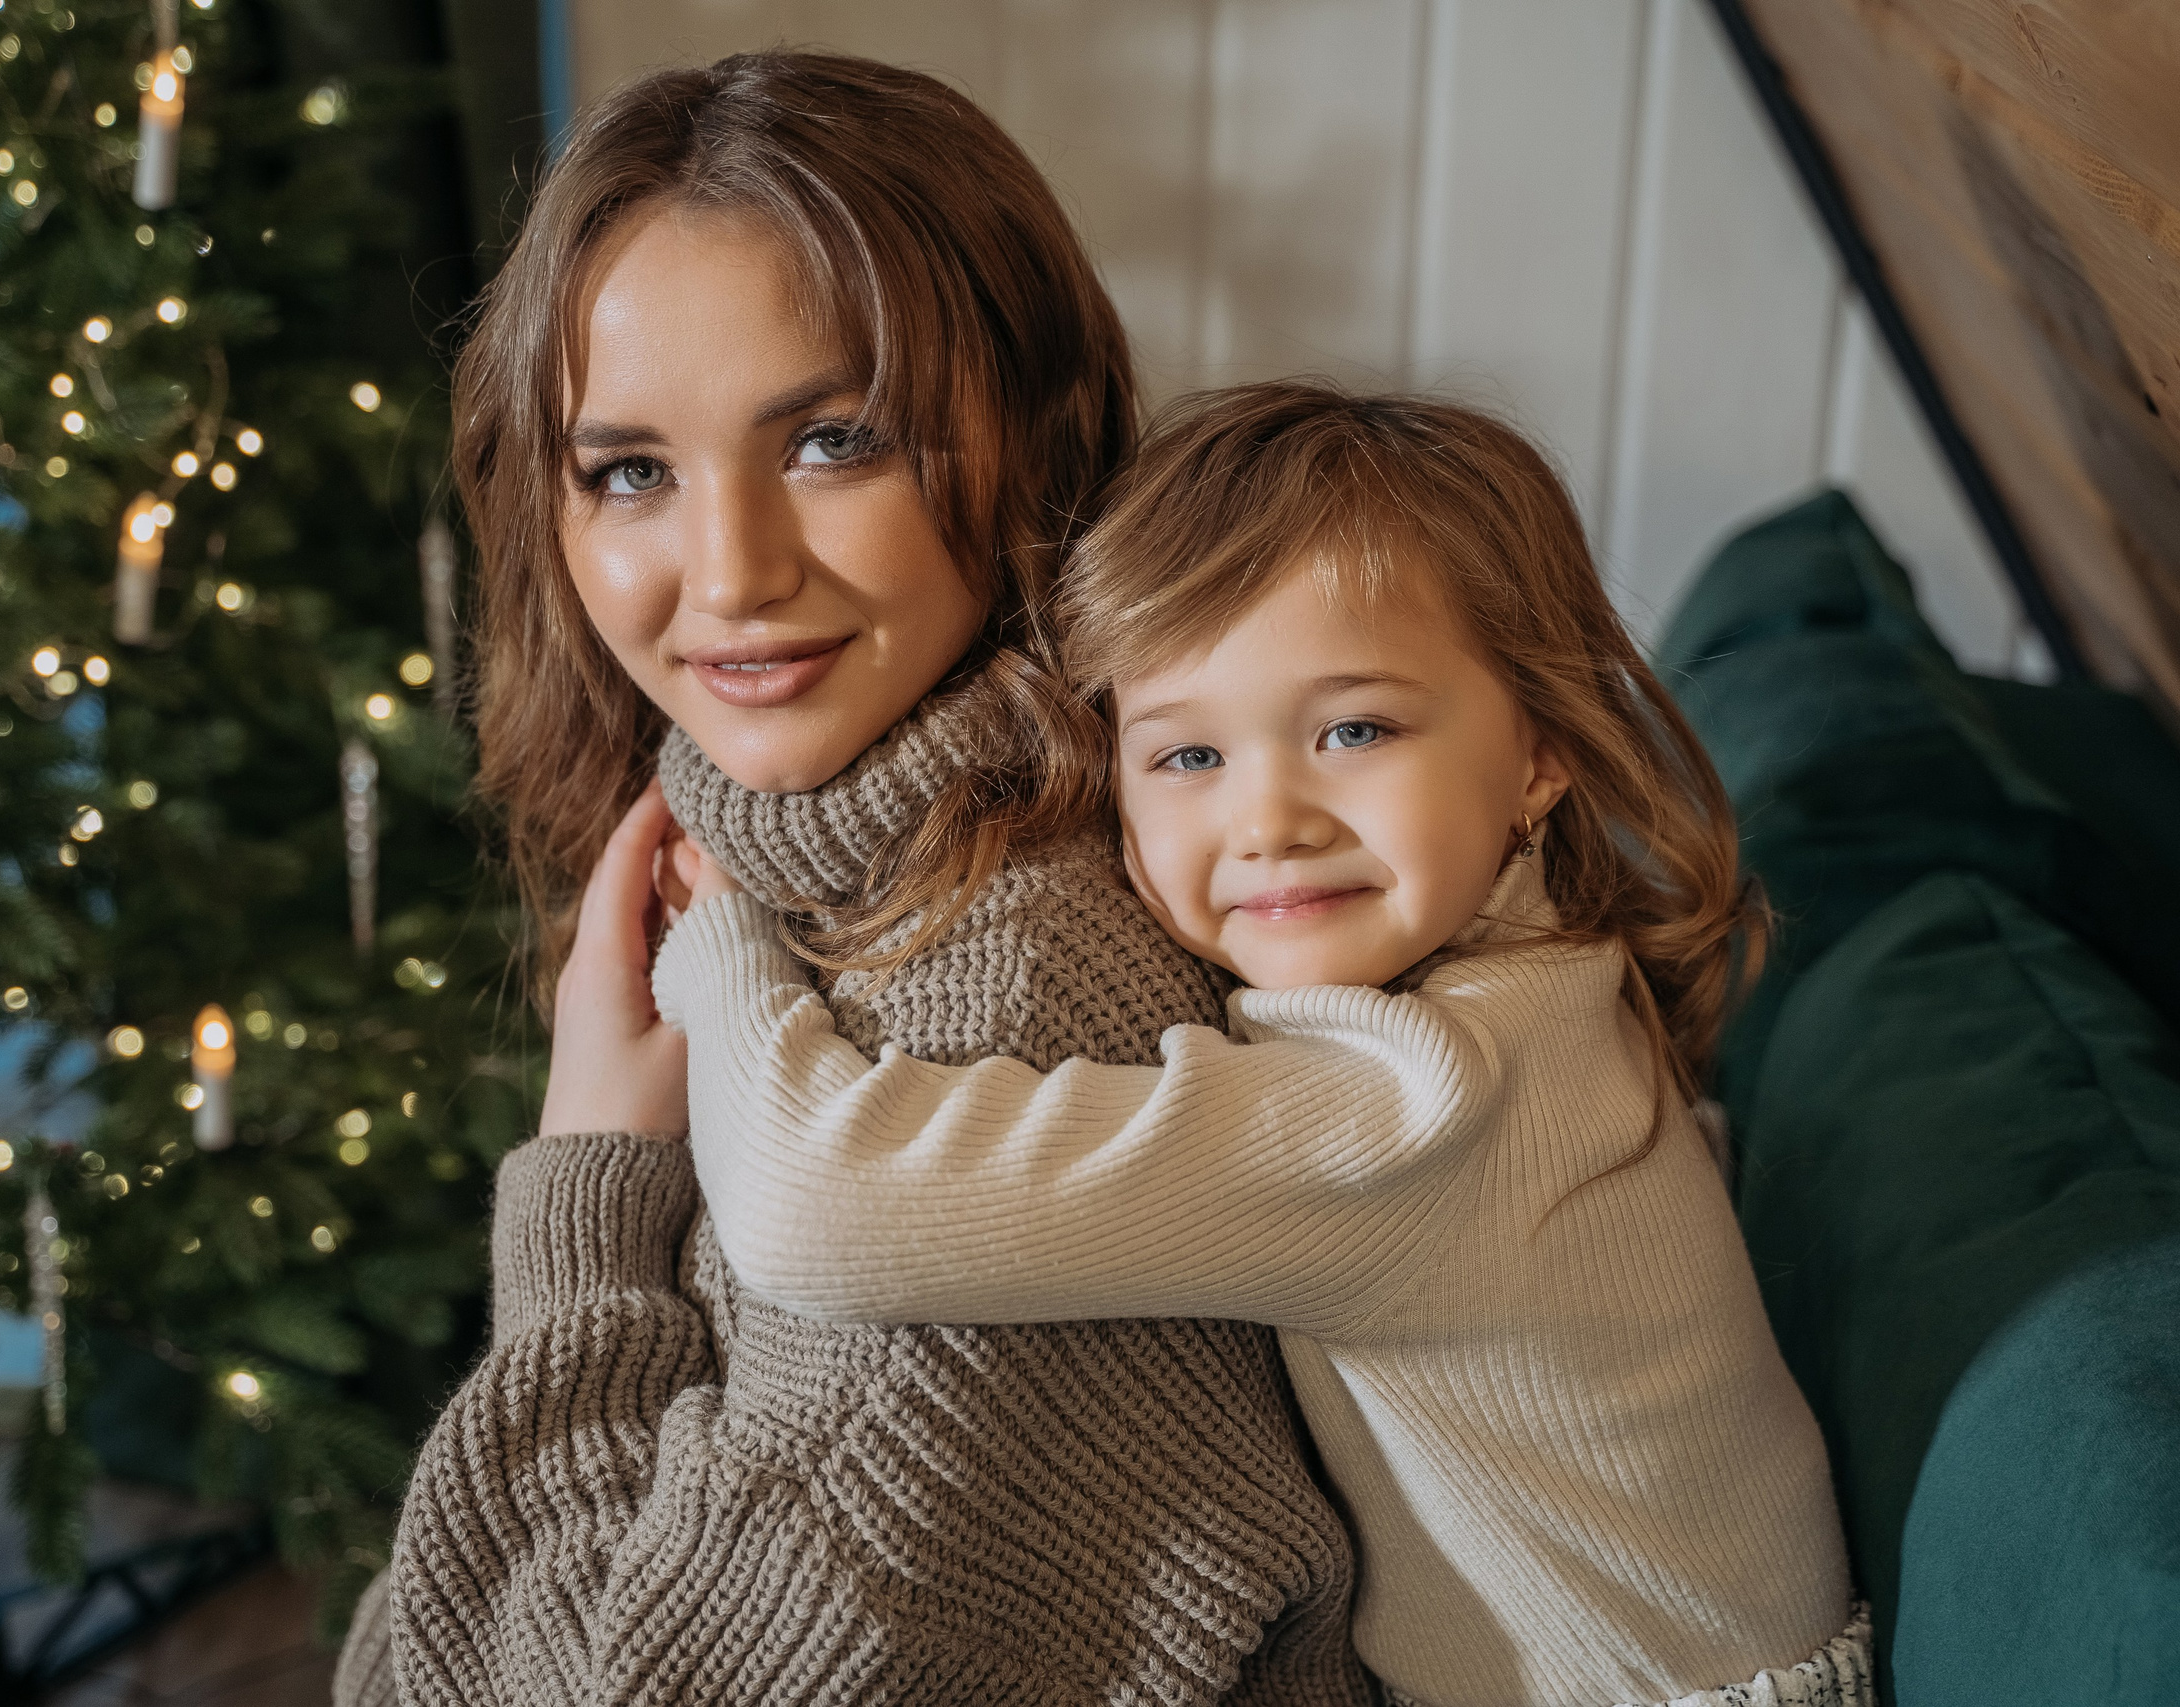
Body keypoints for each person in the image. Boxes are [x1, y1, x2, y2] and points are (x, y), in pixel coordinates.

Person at [333, 55, 1372, 1707]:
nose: (732, 574)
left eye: (834, 439)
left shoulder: (1012, 1017)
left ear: (1029, 432)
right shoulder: (754, 888)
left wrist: (589, 1185)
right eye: (629, 471)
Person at [648, 384, 1871, 1707]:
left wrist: (726, 952)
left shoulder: (1420, 1105)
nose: (1269, 817)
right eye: (1184, 758)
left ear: (1540, 753)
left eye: (1355, 729)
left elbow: (812, 1210)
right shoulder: (1546, 978)